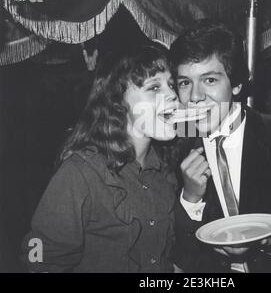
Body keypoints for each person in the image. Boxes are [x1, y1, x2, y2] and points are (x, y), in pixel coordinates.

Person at [170, 20, 271, 273]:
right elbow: (179, 252)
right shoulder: (177, 149)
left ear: (236, 84)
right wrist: (190, 201)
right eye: (185, 82)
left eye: (210, 80)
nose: (194, 96)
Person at [20, 44, 180, 273]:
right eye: (154, 87)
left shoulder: (163, 170)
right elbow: (38, 259)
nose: (173, 95)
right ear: (118, 102)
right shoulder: (80, 173)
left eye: (171, 85)